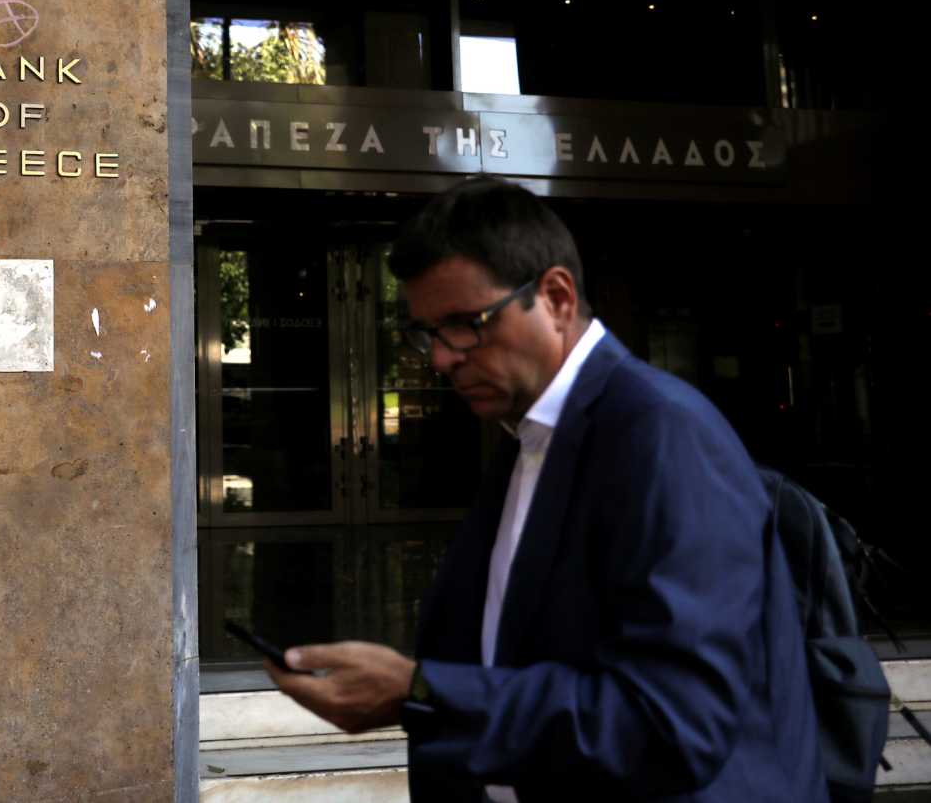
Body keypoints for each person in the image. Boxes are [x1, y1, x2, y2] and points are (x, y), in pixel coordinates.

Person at [264, 177, 826, 802]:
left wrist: (420, 691)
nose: (443, 359)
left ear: (556, 297)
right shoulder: (529, 438)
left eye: (465, 324)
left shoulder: (660, 432)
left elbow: (673, 720)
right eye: (427, 333)